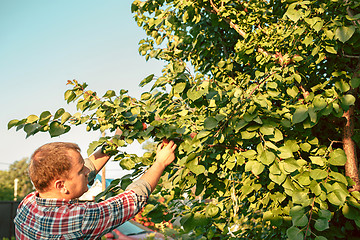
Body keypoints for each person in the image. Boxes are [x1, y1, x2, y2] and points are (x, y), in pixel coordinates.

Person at [14, 140, 177, 239]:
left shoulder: (28, 204)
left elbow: (89, 166)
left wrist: (116, 140)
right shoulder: (79, 219)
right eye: (80, 170)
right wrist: (160, 163)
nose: (87, 171)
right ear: (61, 185)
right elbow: (131, 200)